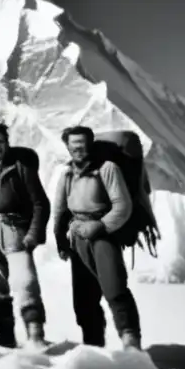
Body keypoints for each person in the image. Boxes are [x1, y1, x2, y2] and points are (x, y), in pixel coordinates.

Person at [51, 125, 143, 350]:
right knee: (84, 299)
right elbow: (60, 210)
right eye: (74, 144)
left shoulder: (108, 169)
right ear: (68, 146)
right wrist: (60, 240)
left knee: (115, 288)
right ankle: (93, 347)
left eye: (82, 143)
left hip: (104, 236)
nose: (78, 148)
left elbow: (123, 206)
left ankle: (131, 342)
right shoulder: (67, 175)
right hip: (77, 238)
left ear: (90, 144)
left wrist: (100, 226)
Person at [0, 123, 50, 348]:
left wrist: (33, 235)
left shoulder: (21, 168)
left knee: (25, 282)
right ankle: (6, 337)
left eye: (0, 142)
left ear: (7, 143)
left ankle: (35, 335)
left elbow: (40, 203)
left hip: (16, 231)